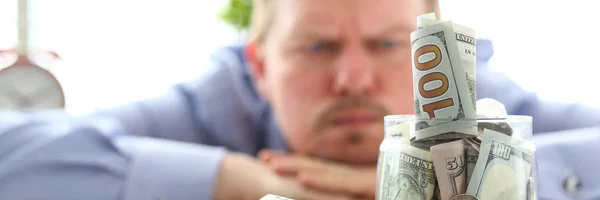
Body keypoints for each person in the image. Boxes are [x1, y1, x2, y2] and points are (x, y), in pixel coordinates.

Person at [1, 0, 600, 199]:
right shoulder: (212, 108)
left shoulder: (483, 110)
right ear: (257, 67)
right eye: (316, 48)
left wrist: (481, 178)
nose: (354, 81)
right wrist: (233, 177)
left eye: (390, 45)